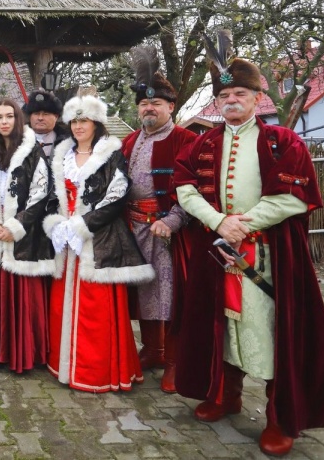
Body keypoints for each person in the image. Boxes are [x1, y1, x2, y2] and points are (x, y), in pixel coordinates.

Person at [173, 30, 324, 456]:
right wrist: (219, 222)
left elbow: (294, 197)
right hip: (219, 255)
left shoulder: (283, 141)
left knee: (277, 330)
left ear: (257, 98)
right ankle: (226, 394)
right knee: (222, 326)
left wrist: (242, 224)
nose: (231, 100)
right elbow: (184, 189)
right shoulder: (204, 142)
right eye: (224, 95)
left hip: (271, 256)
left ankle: (279, 415)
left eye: (239, 93)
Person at [43, 89, 155, 392]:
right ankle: (64, 367)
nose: (79, 126)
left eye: (85, 120)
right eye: (75, 121)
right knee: (61, 305)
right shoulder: (62, 154)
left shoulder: (110, 153)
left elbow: (117, 197)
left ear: (96, 123)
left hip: (99, 238)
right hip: (65, 242)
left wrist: (82, 224)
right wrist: (57, 223)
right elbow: (52, 194)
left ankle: (95, 372)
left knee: (96, 310)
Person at [120, 45, 196, 393]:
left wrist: (174, 221)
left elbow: (197, 191)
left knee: (170, 295)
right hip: (133, 227)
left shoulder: (188, 140)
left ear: (171, 107)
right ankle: (152, 350)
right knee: (142, 291)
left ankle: (175, 362)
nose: (148, 108)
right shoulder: (130, 141)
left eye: (156, 104)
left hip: (169, 231)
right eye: (143, 104)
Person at [0, 99, 54, 372]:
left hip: (23, 237)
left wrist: (15, 226)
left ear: (18, 119)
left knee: (24, 298)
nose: (4, 121)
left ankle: (24, 354)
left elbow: (41, 193)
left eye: (9, 116)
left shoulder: (33, 153)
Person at [23, 89, 71, 158]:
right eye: (36, 114)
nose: (40, 118)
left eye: (45, 114)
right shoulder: (18, 140)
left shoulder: (68, 142)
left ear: (56, 117)